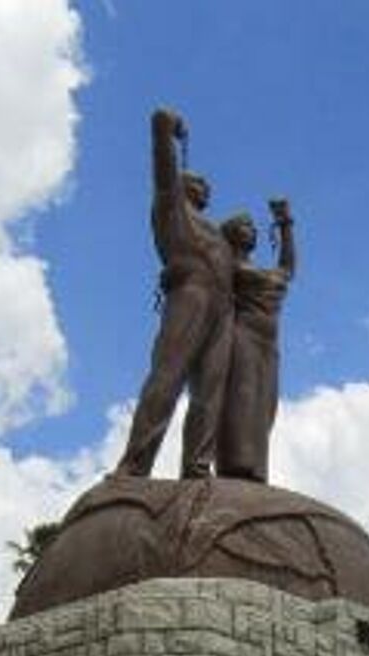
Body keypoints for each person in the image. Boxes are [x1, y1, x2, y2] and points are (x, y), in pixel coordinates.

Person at [116, 109, 236, 479]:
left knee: (211, 391)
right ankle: (135, 465)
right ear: (182, 185)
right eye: (197, 183)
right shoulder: (172, 208)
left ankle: (198, 466)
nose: (206, 188)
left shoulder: (216, 232)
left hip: (223, 307)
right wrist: (164, 127)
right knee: (168, 376)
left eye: (207, 186)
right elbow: (163, 169)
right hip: (191, 293)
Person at [216, 199, 296, 482]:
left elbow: (286, 270)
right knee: (241, 399)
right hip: (243, 335)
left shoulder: (265, 272)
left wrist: (286, 225)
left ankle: (257, 467)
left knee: (265, 406)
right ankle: (236, 464)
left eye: (252, 226)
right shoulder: (226, 266)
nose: (252, 230)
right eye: (244, 226)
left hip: (268, 342)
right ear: (230, 234)